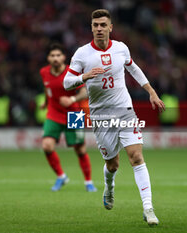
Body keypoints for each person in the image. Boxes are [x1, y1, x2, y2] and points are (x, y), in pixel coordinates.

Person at [63, 9, 165, 226]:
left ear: (110, 27)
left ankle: (148, 208)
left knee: (136, 157)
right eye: (95, 25)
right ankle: (109, 188)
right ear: (91, 28)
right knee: (112, 165)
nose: (99, 28)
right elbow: (66, 82)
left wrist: (151, 91)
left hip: (125, 110)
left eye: (103, 25)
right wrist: (84, 76)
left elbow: (133, 68)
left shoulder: (121, 48)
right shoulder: (82, 53)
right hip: (100, 116)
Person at [40, 43, 97, 192]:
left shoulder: (71, 73)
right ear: (48, 58)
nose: (55, 58)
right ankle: (61, 176)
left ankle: (88, 182)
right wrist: (45, 102)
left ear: (64, 57)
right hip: (53, 113)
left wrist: (71, 100)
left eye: (58, 55)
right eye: (52, 56)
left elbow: (85, 93)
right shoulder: (44, 72)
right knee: (47, 146)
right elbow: (48, 89)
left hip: (74, 114)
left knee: (80, 150)